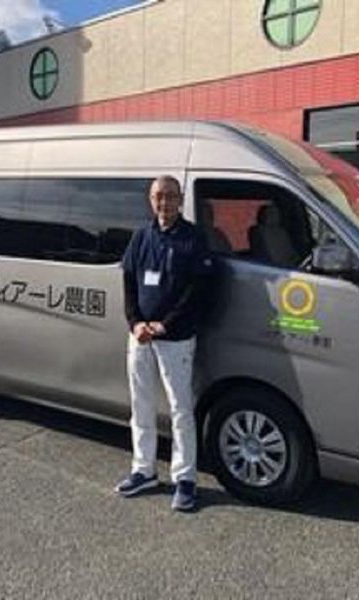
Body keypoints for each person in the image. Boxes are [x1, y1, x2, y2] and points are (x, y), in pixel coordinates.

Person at [115, 175, 212, 511]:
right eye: (158, 196)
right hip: (140, 336)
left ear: (180, 200)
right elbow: (129, 280)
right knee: (140, 405)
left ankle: (185, 479)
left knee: (180, 409)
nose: (164, 203)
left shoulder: (193, 238)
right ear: (150, 199)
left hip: (176, 338)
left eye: (170, 196)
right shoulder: (141, 236)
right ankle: (143, 470)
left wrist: (164, 324)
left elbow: (198, 291)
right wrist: (135, 322)